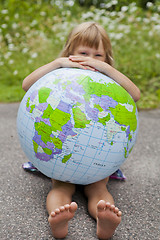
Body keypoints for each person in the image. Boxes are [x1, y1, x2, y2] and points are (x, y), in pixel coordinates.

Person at [22, 22, 140, 239]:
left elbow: (135, 95)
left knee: (99, 189)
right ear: (70, 54)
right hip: (60, 158)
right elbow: (27, 84)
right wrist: (58, 63)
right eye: (84, 53)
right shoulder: (62, 74)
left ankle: (104, 219)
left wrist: (108, 69)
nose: (91, 60)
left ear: (107, 57)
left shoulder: (108, 79)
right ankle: (58, 218)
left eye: (98, 55)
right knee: (60, 187)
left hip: (98, 162)